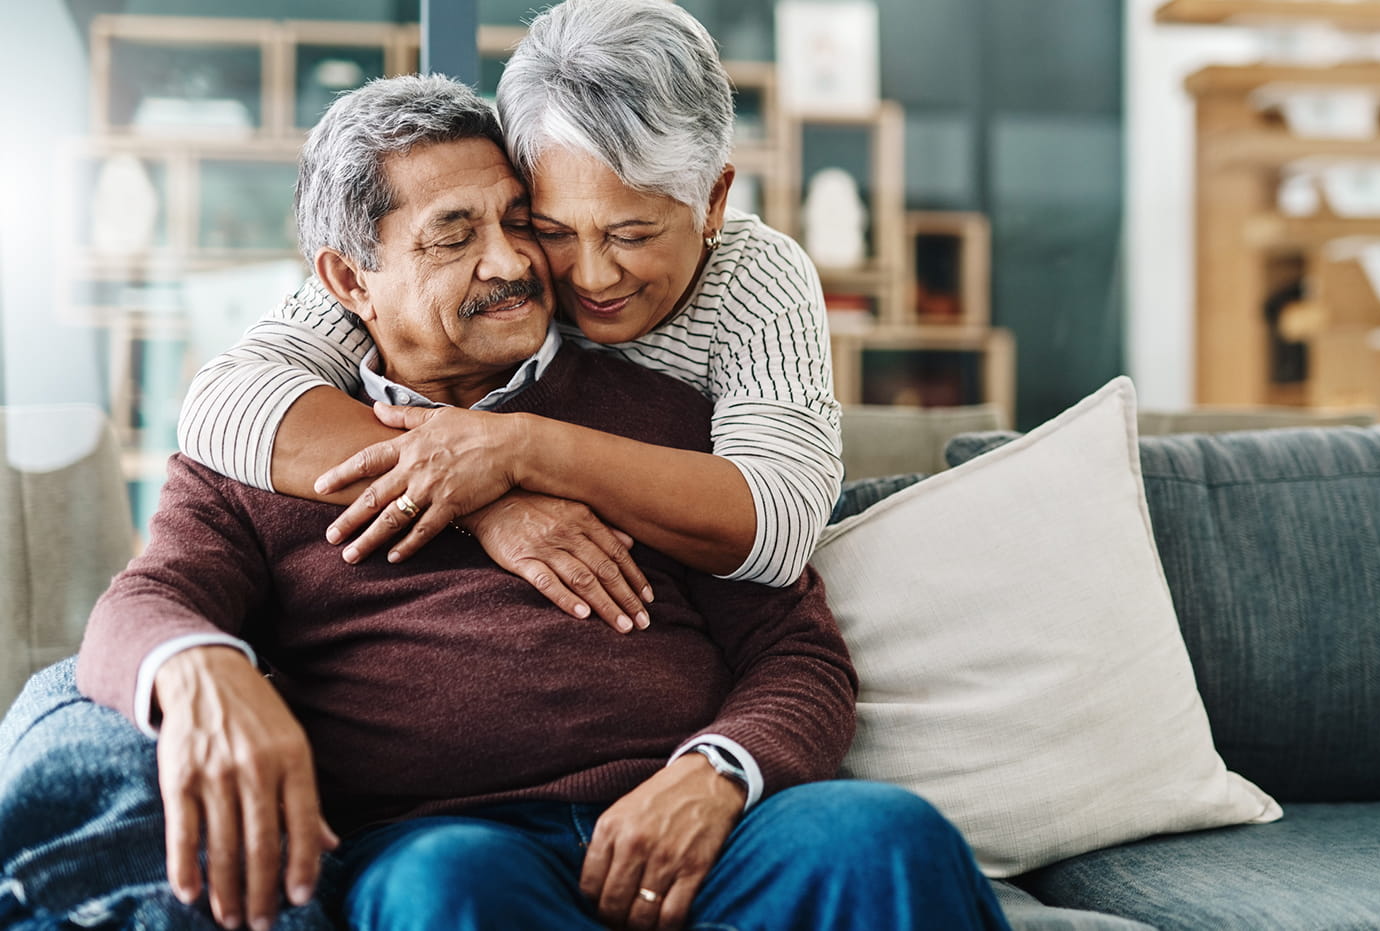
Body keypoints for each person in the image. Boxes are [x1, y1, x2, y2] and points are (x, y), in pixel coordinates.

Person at [64, 75, 1009, 931]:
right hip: (453, 841)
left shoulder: (660, 420)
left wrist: (716, 773)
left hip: (695, 830)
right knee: (449, 887)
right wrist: (199, 672)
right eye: (454, 234)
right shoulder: (267, 449)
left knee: (884, 835)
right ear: (351, 280)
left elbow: (796, 649)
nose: (513, 263)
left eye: (521, 222)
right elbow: (138, 607)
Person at [177, 0, 842, 635]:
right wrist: (483, 496)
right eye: (549, 228)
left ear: (715, 200)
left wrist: (520, 449)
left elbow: (780, 527)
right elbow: (221, 404)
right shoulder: (478, 267)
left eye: (632, 234)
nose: (589, 275)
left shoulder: (757, 278)